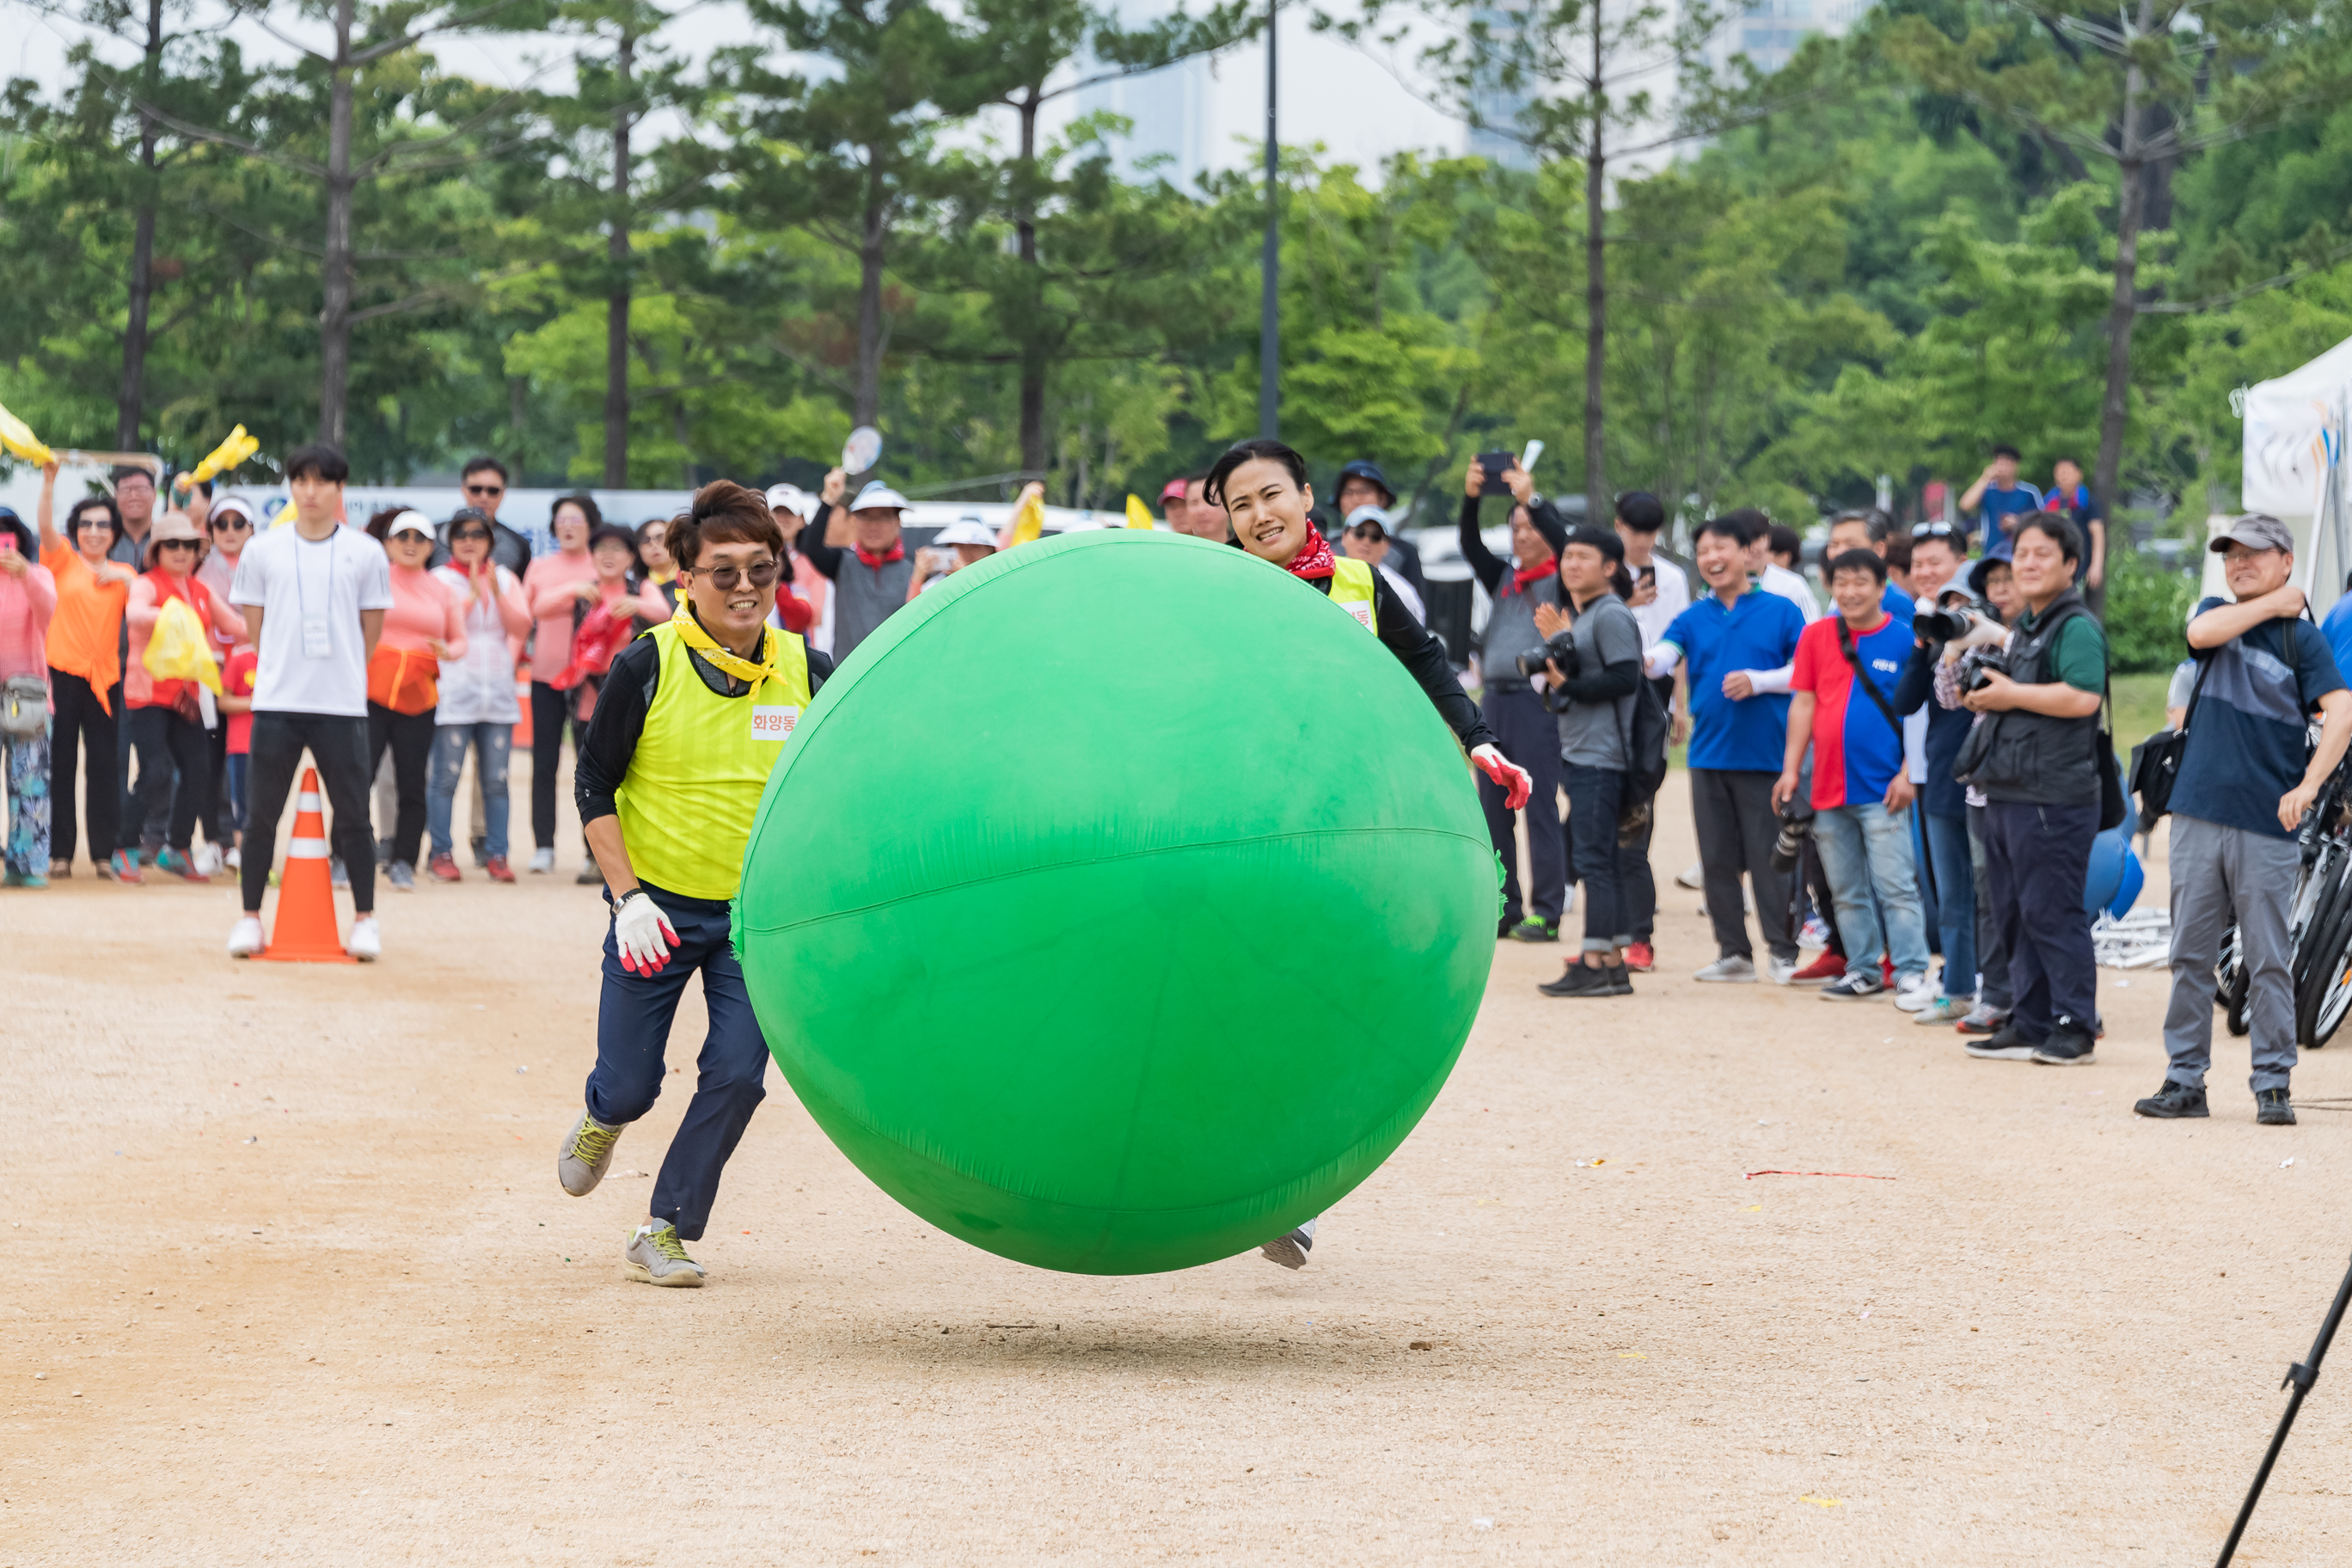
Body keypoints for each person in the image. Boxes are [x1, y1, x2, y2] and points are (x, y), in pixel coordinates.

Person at [1210, 438, 1532, 1269]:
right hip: (1245, 828)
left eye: (1270, 494)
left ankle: (1294, 1189)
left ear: (1308, 496)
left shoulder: (1358, 582)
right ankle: (1245, 1180)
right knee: (1246, 998)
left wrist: (1479, 740)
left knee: (1326, 1001)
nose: (1258, 515)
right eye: (1240, 505)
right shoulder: (1217, 591)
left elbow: (1426, 661)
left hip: (1347, 829)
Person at [556, 481, 836, 1287]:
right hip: (656, 910)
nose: (745, 586)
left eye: (761, 569)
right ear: (686, 578)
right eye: (723, 572)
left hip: (756, 920)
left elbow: (837, 787)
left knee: (740, 1073)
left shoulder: (807, 670)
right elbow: (593, 785)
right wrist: (628, 897)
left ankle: (665, 1227)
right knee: (634, 1083)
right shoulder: (648, 661)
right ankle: (602, 1117)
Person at [2137, 515, 2352, 1124]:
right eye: (2231, 555)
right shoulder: (2216, 612)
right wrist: (2273, 604)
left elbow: (2342, 712)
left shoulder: (2301, 641)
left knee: (2267, 955)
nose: (2239, 564)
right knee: (2189, 953)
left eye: (2255, 554)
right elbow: (2201, 632)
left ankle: (2273, 1082)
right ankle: (2184, 1080)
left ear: (2286, 560)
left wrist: (2311, 785)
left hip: (2266, 821)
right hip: (2198, 811)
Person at [226, 444, 393, 961]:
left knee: (353, 817)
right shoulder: (262, 549)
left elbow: (371, 630)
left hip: (341, 704)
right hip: (277, 700)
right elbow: (255, 626)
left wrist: (341, 669)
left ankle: (365, 919)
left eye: (322, 482)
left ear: (341, 489)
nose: (311, 492)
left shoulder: (365, 552)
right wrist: (283, 664)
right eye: (301, 481)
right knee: (260, 817)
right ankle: (250, 917)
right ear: (290, 487)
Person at [1957, 512, 2107, 1064]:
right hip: (2009, 788)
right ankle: (2029, 1018)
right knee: (2014, 910)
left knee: (2053, 910)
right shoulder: (2030, 625)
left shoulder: (2075, 626)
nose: (2028, 563)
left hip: (2054, 796)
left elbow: (2082, 698)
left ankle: (2075, 1026)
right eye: (2022, 553)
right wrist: (1991, 695)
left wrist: (2011, 695)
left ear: (2071, 565)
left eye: (2043, 553)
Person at [1648, 512, 1807, 983]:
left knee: (1768, 858)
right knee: (1716, 858)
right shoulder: (1693, 616)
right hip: (1708, 756)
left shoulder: (1781, 610)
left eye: (1721, 549)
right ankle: (1733, 952)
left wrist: (1758, 681)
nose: (1712, 559)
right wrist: (1634, 652)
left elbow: (1805, 672)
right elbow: (1662, 659)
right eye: (1703, 552)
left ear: (1746, 553)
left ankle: (1783, 951)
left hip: (1764, 757)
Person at [1773, 548, 1932, 1005]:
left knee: (1896, 884)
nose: (1850, 591)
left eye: (1861, 581)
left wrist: (1909, 773)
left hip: (1883, 786)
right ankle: (1862, 968)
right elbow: (1803, 704)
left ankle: (1909, 970)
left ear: (1883, 588)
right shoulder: (1816, 637)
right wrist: (1789, 771)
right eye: (1840, 582)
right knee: (1844, 888)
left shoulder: (1904, 639)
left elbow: (1918, 713)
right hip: (1825, 786)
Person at [1456, 462, 1570, 943]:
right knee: (1493, 808)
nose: (1521, 536)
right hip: (1495, 703)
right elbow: (1469, 546)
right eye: (1515, 528)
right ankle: (1505, 904)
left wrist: (1533, 499)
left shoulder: (1563, 578)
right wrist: (1471, 499)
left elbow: (1566, 544)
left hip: (1536, 702)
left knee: (1539, 805)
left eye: (1529, 527)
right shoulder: (1504, 576)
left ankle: (1546, 910)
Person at [1532, 528, 1646, 998]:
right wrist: (1564, 645)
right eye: (1568, 556)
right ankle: (1612, 962)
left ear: (1610, 567)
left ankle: (1595, 961)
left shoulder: (1611, 613)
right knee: (1601, 859)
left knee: (1593, 860)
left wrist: (1567, 685)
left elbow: (1625, 677)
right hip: (1587, 752)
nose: (1571, 564)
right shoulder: (1587, 616)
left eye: (1584, 556)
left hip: (1603, 756)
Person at [119, 511, 248, 882]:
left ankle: (176, 848)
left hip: (186, 695)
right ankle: (124, 847)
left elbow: (238, 628)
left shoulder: (201, 591)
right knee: (155, 772)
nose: (181, 551)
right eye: (171, 544)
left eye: (189, 545)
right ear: (157, 550)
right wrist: (176, 614)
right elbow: (135, 613)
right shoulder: (147, 583)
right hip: (147, 693)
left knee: (199, 770)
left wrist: (278, 622)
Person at [1890, 523, 1983, 1026]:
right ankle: (1958, 982)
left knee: (1978, 886)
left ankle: (1979, 983)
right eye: (1918, 565)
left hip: (1977, 772)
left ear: (1961, 564)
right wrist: (1925, 642)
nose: (1924, 573)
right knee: (1947, 889)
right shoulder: (1927, 625)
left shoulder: (1985, 626)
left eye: (1935, 563)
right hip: (1936, 770)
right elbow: (1906, 701)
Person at [362, 509, 466, 893]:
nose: (409, 544)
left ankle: (404, 861)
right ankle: (344, 856)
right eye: (401, 537)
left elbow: (460, 640)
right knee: (358, 778)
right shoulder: (372, 581)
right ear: (388, 543)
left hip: (418, 697)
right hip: (371, 693)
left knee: (412, 783)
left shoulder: (442, 590)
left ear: (430, 546)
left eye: (418, 538)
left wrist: (448, 651)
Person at [36, 469, 133, 878]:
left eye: (103, 525)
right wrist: (48, 481)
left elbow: (148, 604)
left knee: (105, 766)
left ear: (114, 533)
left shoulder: (125, 576)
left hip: (106, 677)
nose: (94, 532)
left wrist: (124, 577)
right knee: (60, 763)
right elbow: (43, 526)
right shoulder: (61, 561)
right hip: (62, 675)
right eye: (86, 525)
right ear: (75, 530)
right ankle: (60, 853)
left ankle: (103, 855)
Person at [426, 508, 532, 883]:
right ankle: (440, 852)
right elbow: (439, 628)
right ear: (449, 541)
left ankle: (497, 853)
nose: (469, 541)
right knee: (446, 776)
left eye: (477, 534)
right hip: (456, 688)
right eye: (461, 534)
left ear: (491, 541)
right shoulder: (438, 579)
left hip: (498, 691)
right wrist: (470, 594)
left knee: (497, 779)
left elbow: (522, 624)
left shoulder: (504, 576)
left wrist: (496, 592)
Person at [521, 494, 604, 875]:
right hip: (547, 677)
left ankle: (594, 851)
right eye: (561, 519)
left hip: (591, 680)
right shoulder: (539, 565)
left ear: (591, 525)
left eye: (576, 519)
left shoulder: (601, 564)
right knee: (544, 762)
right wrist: (573, 592)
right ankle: (543, 845)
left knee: (590, 765)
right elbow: (530, 610)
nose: (568, 526)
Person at [0, 503, 57, 886]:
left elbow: (48, 610)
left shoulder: (39, 575)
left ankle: (27, 864)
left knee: (30, 784)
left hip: (29, 695)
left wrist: (26, 577)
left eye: (8, 532)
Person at [794, 480, 913, 661]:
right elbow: (812, 547)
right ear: (855, 521)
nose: (873, 526)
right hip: (849, 675)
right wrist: (828, 500)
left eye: (883, 518)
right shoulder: (843, 562)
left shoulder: (912, 571)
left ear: (898, 522)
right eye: (865, 517)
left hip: (896, 671)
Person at [198, 496, 256, 855]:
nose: (231, 531)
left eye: (239, 524)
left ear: (252, 529)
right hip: (212, 672)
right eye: (222, 524)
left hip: (254, 673)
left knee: (249, 759)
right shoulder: (201, 568)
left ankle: (245, 837)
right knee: (209, 758)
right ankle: (213, 840)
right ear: (211, 531)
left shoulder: (264, 564)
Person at [1330, 459, 1426, 599]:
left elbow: (1414, 609)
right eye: (1349, 492)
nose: (1355, 499)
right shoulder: (1327, 547)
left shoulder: (1404, 553)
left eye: (1363, 491)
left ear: (1382, 499)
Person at [438, 456, 532, 576]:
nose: (484, 497)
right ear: (463, 489)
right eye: (476, 489)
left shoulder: (518, 543)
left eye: (493, 491)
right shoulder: (431, 536)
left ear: (503, 493)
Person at [763, 483, 828, 646]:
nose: (782, 519)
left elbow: (816, 616)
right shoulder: (751, 559)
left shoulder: (813, 561)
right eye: (776, 512)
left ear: (801, 521)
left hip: (799, 651)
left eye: (789, 513)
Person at [1959, 444, 2043, 563]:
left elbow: (2042, 521)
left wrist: (2018, 522)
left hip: (2021, 553)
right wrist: (1984, 478)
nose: (2002, 467)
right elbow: (1965, 505)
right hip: (1991, 552)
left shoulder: (2029, 492)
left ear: (2015, 466)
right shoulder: (1987, 490)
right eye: (1999, 462)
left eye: (2006, 463)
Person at [1340, 509, 1425, 623]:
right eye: (1359, 533)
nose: (1366, 541)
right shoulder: (1325, 577)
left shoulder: (1402, 594)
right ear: (1344, 537)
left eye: (1376, 536)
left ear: (1387, 546)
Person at [2045, 456, 2106, 592]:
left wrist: (2096, 566)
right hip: (2055, 563)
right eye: (2059, 472)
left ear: (2079, 474)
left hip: (2080, 563)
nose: (2063, 476)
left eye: (2067, 471)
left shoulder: (2087, 501)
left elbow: (2097, 533)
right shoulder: (2050, 500)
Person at [909, 518, 998, 597]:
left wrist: (963, 575)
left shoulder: (997, 581)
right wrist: (918, 577)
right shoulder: (935, 585)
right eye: (960, 547)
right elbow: (914, 612)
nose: (967, 553)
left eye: (974, 547)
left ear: (989, 551)